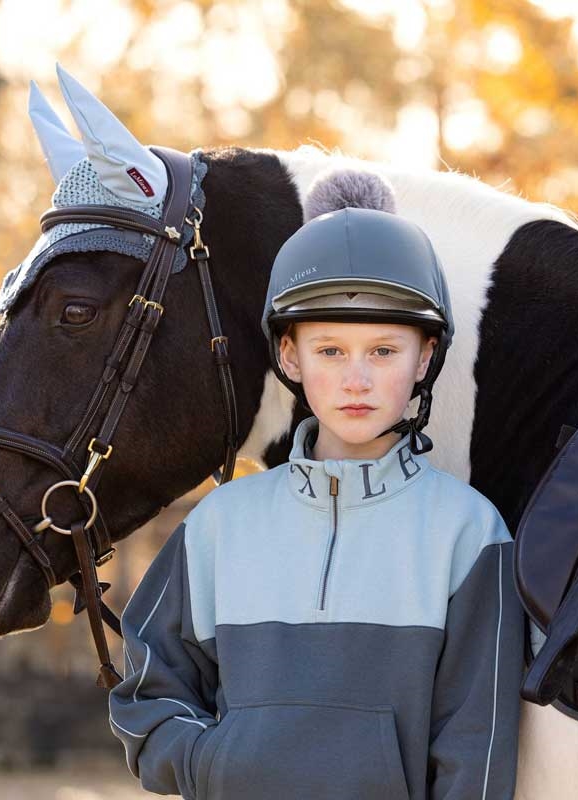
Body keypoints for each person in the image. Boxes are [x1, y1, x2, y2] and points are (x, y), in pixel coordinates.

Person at [108, 172, 524, 800]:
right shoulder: (221, 524)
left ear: (426, 358)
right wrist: (215, 763)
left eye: (383, 351)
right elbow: (147, 691)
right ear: (291, 355)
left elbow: (478, 750)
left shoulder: (469, 532)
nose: (356, 379)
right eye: (330, 350)